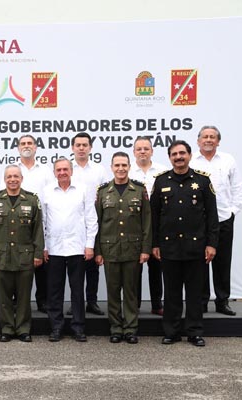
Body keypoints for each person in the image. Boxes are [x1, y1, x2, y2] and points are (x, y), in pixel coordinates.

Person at [151, 140, 219, 347]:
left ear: (189, 155)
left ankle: (194, 332)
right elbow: (154, 216)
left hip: (196, 247)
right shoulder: (161, 181)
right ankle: (171, 332)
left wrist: (212, 244)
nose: (178, 157)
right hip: (169, 247)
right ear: (169, 158)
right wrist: (155, 244)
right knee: (171, 292)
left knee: (194, 293)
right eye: (174, 154)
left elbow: (212, 216)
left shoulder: (202, 180)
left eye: (182, 153)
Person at [95, 152, 151, 344]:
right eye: (117, 165)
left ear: (129, 167)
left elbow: (146, 222)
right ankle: (116, 328)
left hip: (132, 249)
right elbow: (97, 223)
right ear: (112, 167)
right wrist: (98, 251)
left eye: (124, 165)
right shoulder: (103, 191)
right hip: (109, 249)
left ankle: (130, 328)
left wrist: (145, 249)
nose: (121, 169)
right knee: (112, 291)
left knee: (130, 291)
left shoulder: (139, 189)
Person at [0, 165, 44, 343]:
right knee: (4, 297)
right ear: (4, 179)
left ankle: (23, 329)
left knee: (24, 297)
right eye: (9, 176)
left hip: (25, 256)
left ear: (21, 179)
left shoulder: (32, 200)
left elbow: (38, 229)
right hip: (2, 256)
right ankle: (7, 328)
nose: (13, 179)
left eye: (16, 176)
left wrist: (38, 253)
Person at [190, 126, 242, 316]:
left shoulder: (228, 160)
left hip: (223, 218)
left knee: (222, 262)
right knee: (199, 263)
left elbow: (237, 187)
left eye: (212, 137)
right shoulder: (191, 160)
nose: (208, 140)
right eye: (205, 136)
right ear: (198, 141)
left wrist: (232, 211)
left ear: (218, 141)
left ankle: (222, 301)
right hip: (198, 221)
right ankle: (202, 301)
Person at [42, 157, 97, 343]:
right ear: (54, 172)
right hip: (54, 248)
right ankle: (56, 327)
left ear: (71, 171)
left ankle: (78, 327)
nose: (62, 172)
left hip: (77, 248)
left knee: (77, 291)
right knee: (54, 292)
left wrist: (89, 245)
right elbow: (42, 221)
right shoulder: (47, 191)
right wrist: (44, 247)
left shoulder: (83, 190)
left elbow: (91, 218)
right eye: (59, 170)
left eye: (65, 169)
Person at [11, 134, 54, 313]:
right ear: (18, 148)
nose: (26, 146)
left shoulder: (45, 171)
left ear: (35, 147)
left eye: (30, 143)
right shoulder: (12, 169)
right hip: (17, 225)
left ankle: (42, 301)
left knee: (41, 265)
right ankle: (18, 302)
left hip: (40, 223)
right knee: (17, 265)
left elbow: (51, 196)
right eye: (23, 143)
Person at [71, 132, 109, 316]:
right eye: (78, 145)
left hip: (94, 220)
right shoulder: (67, 168)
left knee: (93, 265)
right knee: (75, 267)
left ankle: (92, 302)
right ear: (72, 148)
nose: (81, 148)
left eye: (84, 145)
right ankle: (75, 303)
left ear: (90, 148)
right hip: (72, 222)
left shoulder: (99, 170)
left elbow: (105, 195)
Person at [130, 136, 168, 316]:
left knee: (156, 266)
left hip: (157, 225)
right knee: (134, 268)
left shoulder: (163, 171)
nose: (143, 152)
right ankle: (135, 304)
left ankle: (157, 304)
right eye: (139, 149)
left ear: (152, 151)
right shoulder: (128, 171)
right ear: (134, 152)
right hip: (134, 226)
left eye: (146, 148)